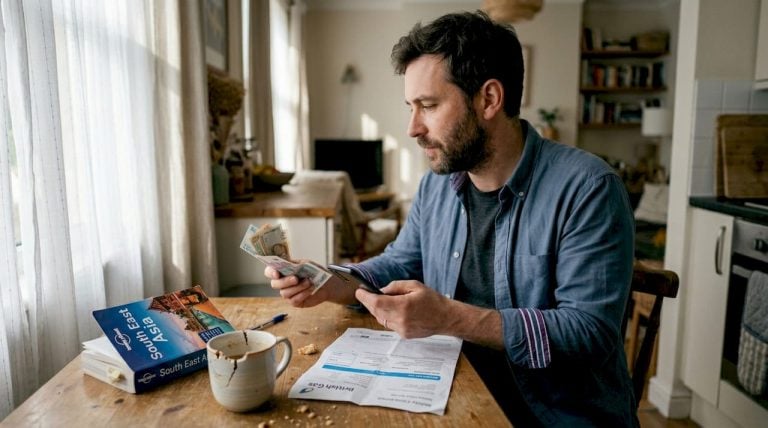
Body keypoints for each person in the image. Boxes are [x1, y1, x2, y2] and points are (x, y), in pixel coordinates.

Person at [266, 10, 637, 427]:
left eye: (428, 105)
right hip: (453, 393)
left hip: (551, 416)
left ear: (489, 99)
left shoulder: (589, 188)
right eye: (411, 106)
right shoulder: (437, 186)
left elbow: (590, 334)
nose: (412, 128)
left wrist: (448, 317)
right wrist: (333, 281)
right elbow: (401, 263)